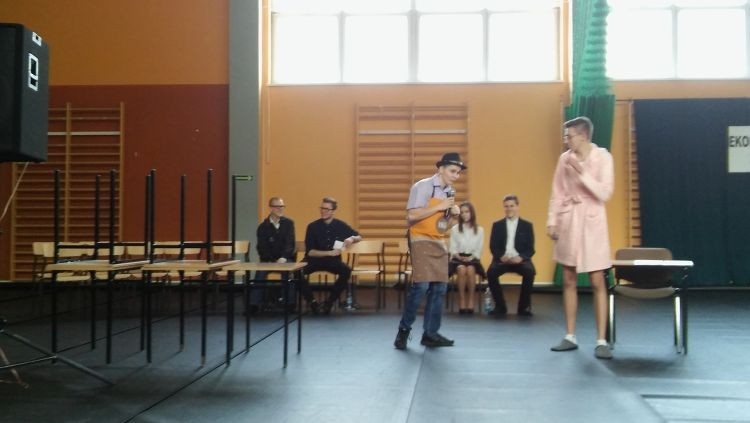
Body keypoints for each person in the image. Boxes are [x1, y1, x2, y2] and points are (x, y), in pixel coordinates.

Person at [547, 116, 614, 360]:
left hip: (593, 220)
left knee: (597, 280)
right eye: (565, 136)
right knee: (568, 277)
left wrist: (582, 172)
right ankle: (570, 335)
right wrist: (552, 221)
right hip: (570, 218)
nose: (566, 140)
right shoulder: (564, 159)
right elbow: (557, 192)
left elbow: (605, 193)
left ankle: (601, 340)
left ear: (584, 136)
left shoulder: (603, 157)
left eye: (570, 136)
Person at [394, 152, 464, 349]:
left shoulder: (450, 192)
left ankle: (430, 333)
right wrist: (440, 206)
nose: (456, 176)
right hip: (419, 238)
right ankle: (404, 330)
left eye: (458, 173)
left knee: (440, 288)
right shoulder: (422, 186)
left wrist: (455, 218)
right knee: (422, 286)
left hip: (438, 240)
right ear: (441, 169)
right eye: (453, 171)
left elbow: (442, 227)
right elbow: (411, 217)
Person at [301, 197, 361, 315]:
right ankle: (312, 302)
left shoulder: (340, 225)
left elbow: (359, 236)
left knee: (346, 271)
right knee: (297, 272)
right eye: (322, 208)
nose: (323, 211)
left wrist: (352, 238)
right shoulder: (312, 226)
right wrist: (329, 253)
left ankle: (329, 303)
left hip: (332, 261)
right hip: (313, 260)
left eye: (327, 209)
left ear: (333, 211)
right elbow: (310, 252)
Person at [486, 194, 536, 317]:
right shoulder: (497, 225)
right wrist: (501, 256)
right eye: (506, 206)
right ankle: (500, 306)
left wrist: (521, 257)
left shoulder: (527, 225)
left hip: (520, 260)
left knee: (530, 272)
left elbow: (530, 249)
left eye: (511, 206)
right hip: (503, 259)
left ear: (517, 206)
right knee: (491, 273)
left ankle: (523, 307)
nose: (509, 209)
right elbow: (493, 246)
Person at [252, 197, 296, 313]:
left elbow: (290, 244)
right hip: (268, 260)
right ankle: (254, 304)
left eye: (282, 206)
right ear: (271, 208)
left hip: (285, 259)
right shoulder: (263, 227)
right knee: (260, 273)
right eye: (277, 206)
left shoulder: (289, 224)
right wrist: (272, 260)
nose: (280, 209)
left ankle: (289, 304)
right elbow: (261, 247)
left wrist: (283, 257)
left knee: (289, 272)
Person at [448, 201, 485, 315]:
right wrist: (458, 256)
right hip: (457, 258)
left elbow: (479, 249)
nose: (464, 214)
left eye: (467, 212)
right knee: (462, 269)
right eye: (462, 212)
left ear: (471, 213)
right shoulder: (455, 229)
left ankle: (471, 300)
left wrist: (471, 258)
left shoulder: (479, 230)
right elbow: (452, 248)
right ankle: (462, 300)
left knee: (470, 269)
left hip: (473, 258)